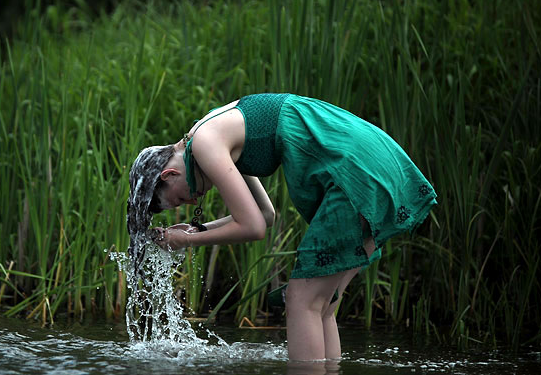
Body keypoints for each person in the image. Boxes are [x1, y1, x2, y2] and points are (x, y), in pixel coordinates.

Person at [126, 93, 437, 361]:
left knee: (301, 303)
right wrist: (196, 230)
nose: (192, 202)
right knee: (321, 307)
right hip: (368, 155)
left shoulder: (206, 144)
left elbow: (254, 227)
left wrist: (186, 241)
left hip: (352, 169)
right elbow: (266, 214)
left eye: (181, 197)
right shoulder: (208, 131)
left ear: (168, 174)